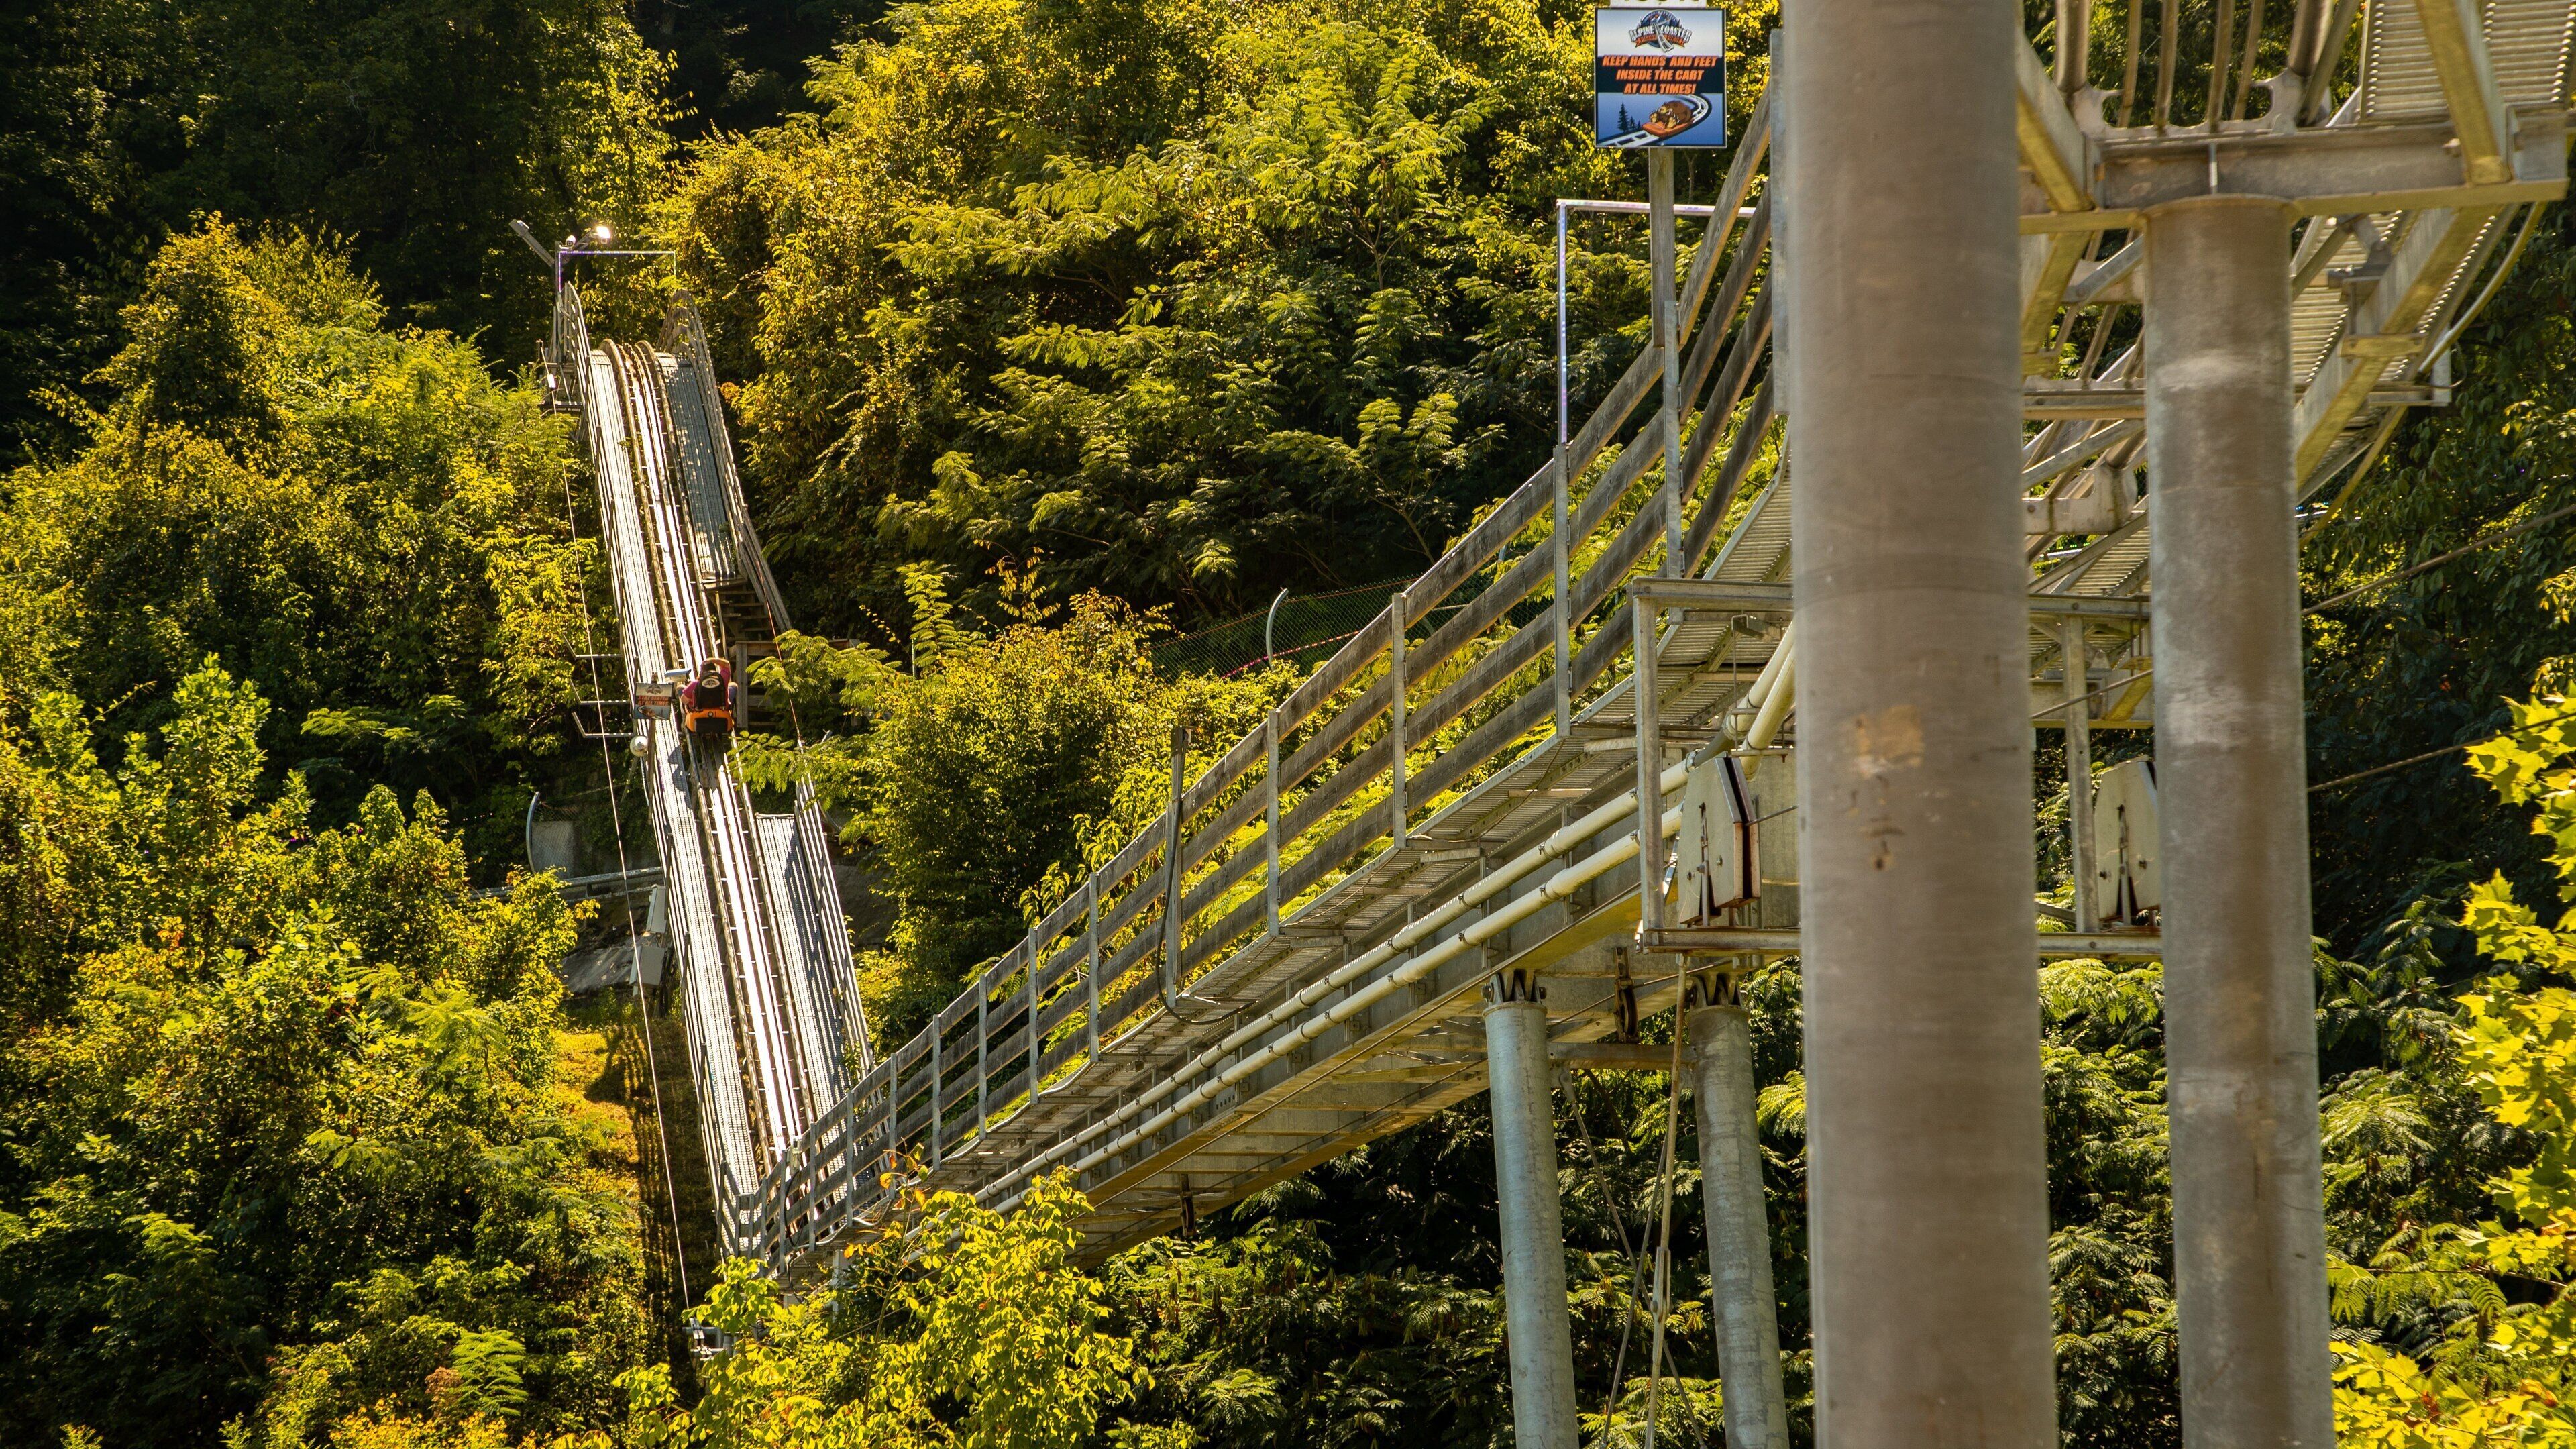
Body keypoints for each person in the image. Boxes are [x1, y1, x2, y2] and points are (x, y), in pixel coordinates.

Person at [681, 657, 737, 753]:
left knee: (681, 690)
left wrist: (692, 698)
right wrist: (712, 660)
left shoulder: (696, 683)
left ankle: (684, 722)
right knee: (733, 686)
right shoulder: (723, 679)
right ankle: (731, 715)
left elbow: (684, 700)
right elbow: (726, 664)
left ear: (702, 673)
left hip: (700, 714)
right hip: (721, 712)